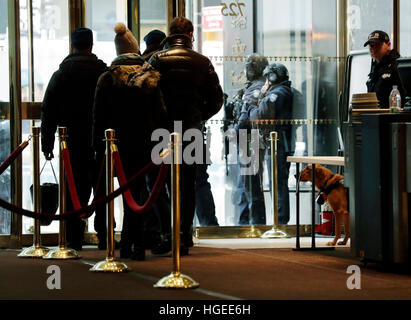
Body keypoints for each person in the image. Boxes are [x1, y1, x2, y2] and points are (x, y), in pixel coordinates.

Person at [149, 17, 223, 254]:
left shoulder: (157, 59)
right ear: (190, 34)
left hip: (162, 130)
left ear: (169, 34)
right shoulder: (202, 62)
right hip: (191, 130)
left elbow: (148, 94)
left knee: (160, 182)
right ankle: (184, 235)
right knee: (188, 184)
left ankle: (167, 233)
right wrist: (198, 116)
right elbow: (217, 99)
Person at [92, 23, 167, 261]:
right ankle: (134, 245)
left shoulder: (107, 78)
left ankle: (121, 243)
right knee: (138, 191)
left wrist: (98, 145)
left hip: (115, 144)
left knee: (118, 192)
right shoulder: (150, 78)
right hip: (144, 142)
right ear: (135, 50)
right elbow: (160, 114)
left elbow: (98, 116)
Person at [41, 28, 107, 250]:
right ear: (91, 45)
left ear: (72, 45)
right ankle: (104, 235)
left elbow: (48, 111)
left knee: (72, 188)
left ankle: (74, 238)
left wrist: (47, 143)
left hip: (70, 142)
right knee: (101, 188)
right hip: (99, 141)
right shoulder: (102, 72)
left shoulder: (61, 74)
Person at [247, 63, 293, 225]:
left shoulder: (278, 93)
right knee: (277, 182)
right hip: (277, 142)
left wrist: (257, 101)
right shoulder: (282, 91)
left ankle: (280, 222)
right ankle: (279, 220)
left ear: (273, 77)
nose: (265, 82)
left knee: (277, 182)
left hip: (277, 144)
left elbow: (260, 116)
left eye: (267, 78)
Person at [235, 54, 268, 226]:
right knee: (247, 182)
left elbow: (244, 118)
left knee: (250, 183)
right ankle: (246, 221)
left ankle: (254, 223)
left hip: (249, 139)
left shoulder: (256, 88)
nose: (246, 70)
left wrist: (235, 131)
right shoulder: (259, 86)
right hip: (250, 139)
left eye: (249, 66)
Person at [364, 30, 406, 108]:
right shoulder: (375, 68)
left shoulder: (398, 65)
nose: (373, 49)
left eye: (377, 45)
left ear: (388, 45)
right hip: (375, 116)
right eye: (371, 46)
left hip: (392, 116)